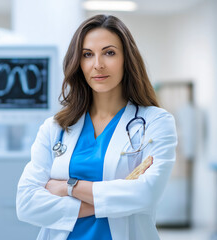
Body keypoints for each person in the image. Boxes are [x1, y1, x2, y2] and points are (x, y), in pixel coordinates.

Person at [16, 14, 177, 240]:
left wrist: (69, 187)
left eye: (109, 53)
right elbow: (26, 204)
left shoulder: (156, 122)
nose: (98, 64)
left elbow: (147, 194)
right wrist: (113, 201)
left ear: (126, 59)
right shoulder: (55, 128)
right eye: (87, 55)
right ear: (78, 63)